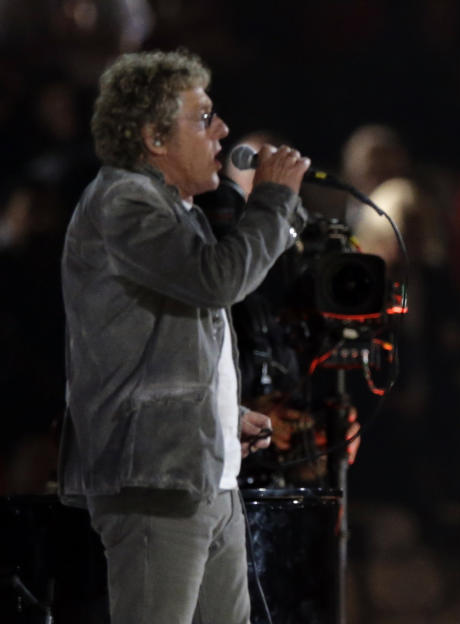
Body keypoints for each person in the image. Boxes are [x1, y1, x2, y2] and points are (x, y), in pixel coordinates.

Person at [58, 49, 311, 623]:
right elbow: (218, 278)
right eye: (203, 119)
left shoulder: (171, 208)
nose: (221, 130)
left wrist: (223, 413)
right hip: (153, 476)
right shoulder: (124, 199)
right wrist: (272, 200)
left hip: (201, 475)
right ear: (153, 137)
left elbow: (171, 337)